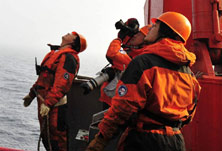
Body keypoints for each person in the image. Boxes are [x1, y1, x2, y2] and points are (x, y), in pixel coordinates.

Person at [86, 12, 201, 151]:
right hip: (175, 141)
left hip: (143, 140)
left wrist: (101, 139)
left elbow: (123, 108)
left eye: (155, 26)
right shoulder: (190, 74)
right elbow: (189, 115)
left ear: (165, 32)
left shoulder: (143, 63)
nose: (150, 28)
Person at [23, 31, 87, 151]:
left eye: (72, 34)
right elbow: (43, 79)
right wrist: (31, 94)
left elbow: (62, 85)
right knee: (46, 136)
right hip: (44, 103)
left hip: (55, 107)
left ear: (73, 42)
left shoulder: (69, 58)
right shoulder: (56, 54)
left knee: (57, 138)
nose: (68, 33)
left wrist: (48, 103)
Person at [100, 19, 150, 106]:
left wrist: (119, 39)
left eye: (138, 34)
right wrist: (126, 31)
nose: (134, 35)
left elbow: (112, 54)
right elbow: (123, 46)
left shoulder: (141, 58)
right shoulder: (132, 51)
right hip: (110, 99)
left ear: (146, 39)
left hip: (119, 103)